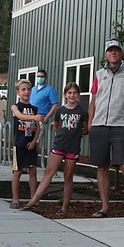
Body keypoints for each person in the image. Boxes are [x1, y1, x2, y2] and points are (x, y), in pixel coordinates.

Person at [88, 39, 124, 217]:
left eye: (116, 50)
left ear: (121, 53)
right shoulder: (99, 74)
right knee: (102, 167)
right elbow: (94, 100)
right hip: (99, 126)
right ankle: (104, 207)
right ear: (106, 54)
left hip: (121, 125)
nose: (113, 53)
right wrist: (90, 123)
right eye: (110, 51)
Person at [23, 82, 88, 215]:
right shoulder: (60, 110)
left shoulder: (82, 111)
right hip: (59, 145)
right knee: (49, 173)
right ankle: (33, 200)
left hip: (73, 147)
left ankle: (64, 207)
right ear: (65, 95)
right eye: (69, 93)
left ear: (78, 95)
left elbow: (85, 129)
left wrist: (76, 135)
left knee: (68, 176)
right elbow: (56, 126)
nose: (72, 95)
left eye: (75, 93)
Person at [9, 79, 41, 209]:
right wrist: (34, 117)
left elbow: (38, 127)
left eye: (28, 89)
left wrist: (34, 141)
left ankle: (34, 199)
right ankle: (15, 199)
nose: (26, 92)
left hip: (31, 144)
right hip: (20, 144)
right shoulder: (15, 107)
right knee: (18, 171)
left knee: (33, 171)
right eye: (23, 89)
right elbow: (20, 116)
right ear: (18, 92)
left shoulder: (34, 108)